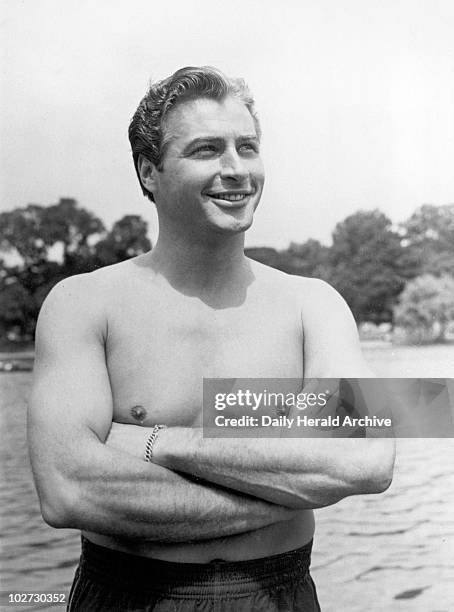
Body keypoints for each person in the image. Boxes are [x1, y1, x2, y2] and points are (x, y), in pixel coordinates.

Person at [28, 66, 395, 611]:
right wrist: (291, 488)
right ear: (149, 171)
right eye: (206, 149)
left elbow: (365, 462)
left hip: (276, 592)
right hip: (127, 595)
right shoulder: (84, 304)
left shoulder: (313, 305)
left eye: (247, 147)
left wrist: (156, 442)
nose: (235, 169)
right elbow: (68, 490)